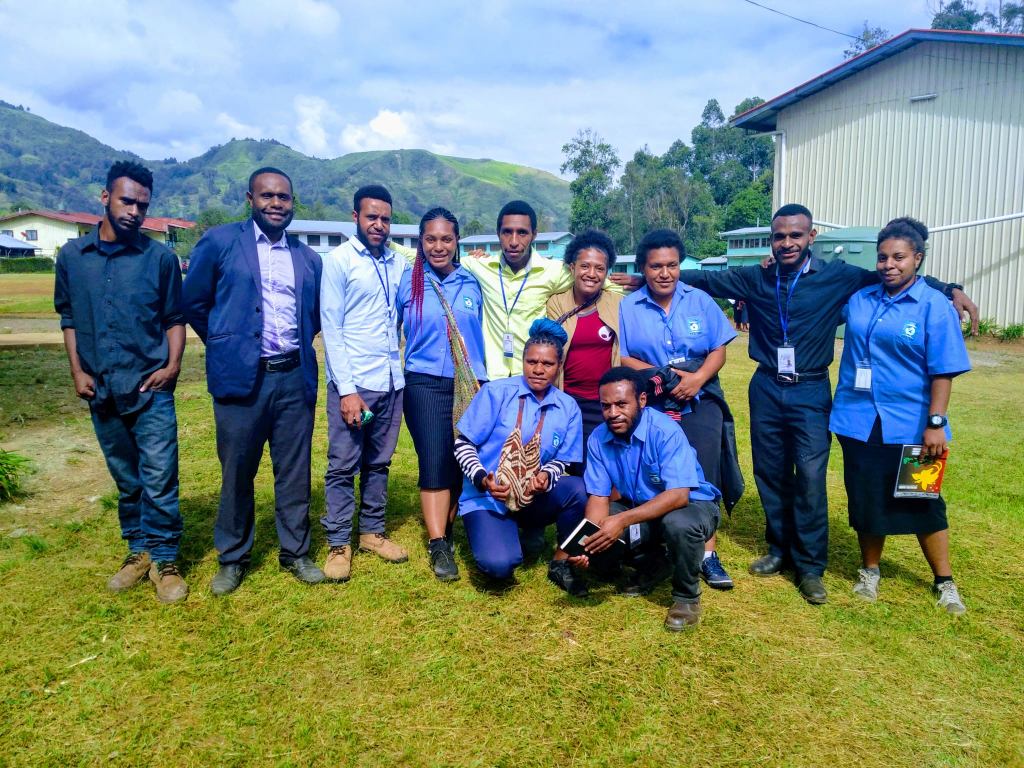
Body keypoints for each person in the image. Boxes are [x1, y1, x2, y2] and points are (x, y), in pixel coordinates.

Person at [673, 203, 978, 605]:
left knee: (818, 479)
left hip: (826, 394)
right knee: (774, 473)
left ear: (811, 237)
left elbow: (898, 280)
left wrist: (951, 288)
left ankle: (812, 566)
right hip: (789, 394)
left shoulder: (844, 278)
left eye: (796, 235)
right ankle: (782, 549)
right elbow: (707, 278)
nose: (787, 242)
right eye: (779, 236)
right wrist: (649, 274)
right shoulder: (770, 280)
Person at [183, 166, 325, 595]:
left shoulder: (308, 258)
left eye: (284, 197)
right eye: (267, 196)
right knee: (237, 471)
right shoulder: (221, 242)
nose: (276, 203)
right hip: (242, 380)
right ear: (250, 199)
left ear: (292, 202)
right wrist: (227, 343)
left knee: (294, 471)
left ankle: (295, 552)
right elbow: (194, 302)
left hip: (293, 378)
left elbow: (314, 316)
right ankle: (232, 557)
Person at [55, 160, 187, 604]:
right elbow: (69, 318)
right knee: (127, 479)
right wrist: (77, 370)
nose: (134, 212)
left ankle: (165, 559)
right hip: (102, 388)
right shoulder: (73, 258)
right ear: (105, 197)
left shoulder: (160, 259)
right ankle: (139, 550)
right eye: (127, 201)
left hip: (150, 388)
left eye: (142, 205)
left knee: (160, 476)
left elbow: (174, 318)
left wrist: (172, 367)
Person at [830, 218, 971, 614]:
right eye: (882, 257)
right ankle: (870, 571)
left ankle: (944, 582)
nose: (888, 265)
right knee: (867, 499)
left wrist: (935, 423)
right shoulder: (860, 299)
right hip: (858, 420)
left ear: (917, 258)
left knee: (924, 500)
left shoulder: (934, 306)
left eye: (899, 257)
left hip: (912, 423)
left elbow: (943, 371)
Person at [618, 229, 740, 591]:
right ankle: (657, 548)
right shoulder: (628, 306)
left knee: (703, 473)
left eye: (672, 265)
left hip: (700, 399)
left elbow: (719, 347)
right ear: (643, 268)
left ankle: (707, 553)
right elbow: (623, 356)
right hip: (654, 400)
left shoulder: (699, 300)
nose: (665, 273)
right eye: (656, 266)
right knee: (655, 471)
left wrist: (697, 379)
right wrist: (662, 375)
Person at [572, 367, 721, 630]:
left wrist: (622, 520)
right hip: (640, 507)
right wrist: (588, 543)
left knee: (678, 524)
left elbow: (678, 496)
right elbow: (598, 498)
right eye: (606, 406)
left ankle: (686, 597)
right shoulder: (598, 438)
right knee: (601, 546)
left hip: (691, 505)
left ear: (641, 400)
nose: (613, 413)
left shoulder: (665, 431)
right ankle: (655, 565)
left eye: (621, 404)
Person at [453, 319, 588, 595]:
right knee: (500, 565)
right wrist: (483, 479)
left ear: (559, 366)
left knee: (577, 489)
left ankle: (560, 560)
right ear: (523, 361)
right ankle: (501, 532)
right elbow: (462, 444)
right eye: (531, 361)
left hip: (531, 497)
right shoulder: (496, 392)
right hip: (488, 498)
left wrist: (546, 475)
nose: (538, 369)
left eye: (547, 364)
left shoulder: (568, 407)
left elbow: (562, 460)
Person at [320, 184, 409, 582]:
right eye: (371, 217)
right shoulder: (339, 261)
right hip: (355, 383)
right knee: (343, 465)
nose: (378, 224)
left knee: (379, 462)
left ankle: (372, 532)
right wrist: (347, 391)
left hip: (391, 380)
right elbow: (331, 328)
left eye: (385, 219)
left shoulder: (397, 262)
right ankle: (339, 543)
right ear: (355, 217)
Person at [397, 207, 487, 582]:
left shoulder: (473, 281)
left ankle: (447, 531)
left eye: (446, 239)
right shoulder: (407, 282)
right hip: (424, 383)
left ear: (457, 241)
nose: (438, 247)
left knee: (458, 462)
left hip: (470, 384)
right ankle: (438, 544)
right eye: (431, 239)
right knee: (434, 459)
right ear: (421, 242)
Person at [455, 200, 621, 380]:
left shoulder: (553, 271)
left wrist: (639, 281)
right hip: (492, 377)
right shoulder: (479, 266)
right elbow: (441, 260)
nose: (514, 241)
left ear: (534, 235)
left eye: (522, 233)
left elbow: (592, 278)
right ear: (498, 234)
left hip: (533, 378)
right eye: (507, 232)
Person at [545, 229, 622, 465]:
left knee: (604, 465)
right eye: (585, 266)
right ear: (572, 268)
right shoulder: (556, 303)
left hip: (605, 403)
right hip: (568, 400)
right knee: (566, 465)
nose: (591, 274)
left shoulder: (617, 303)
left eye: (599, 268)